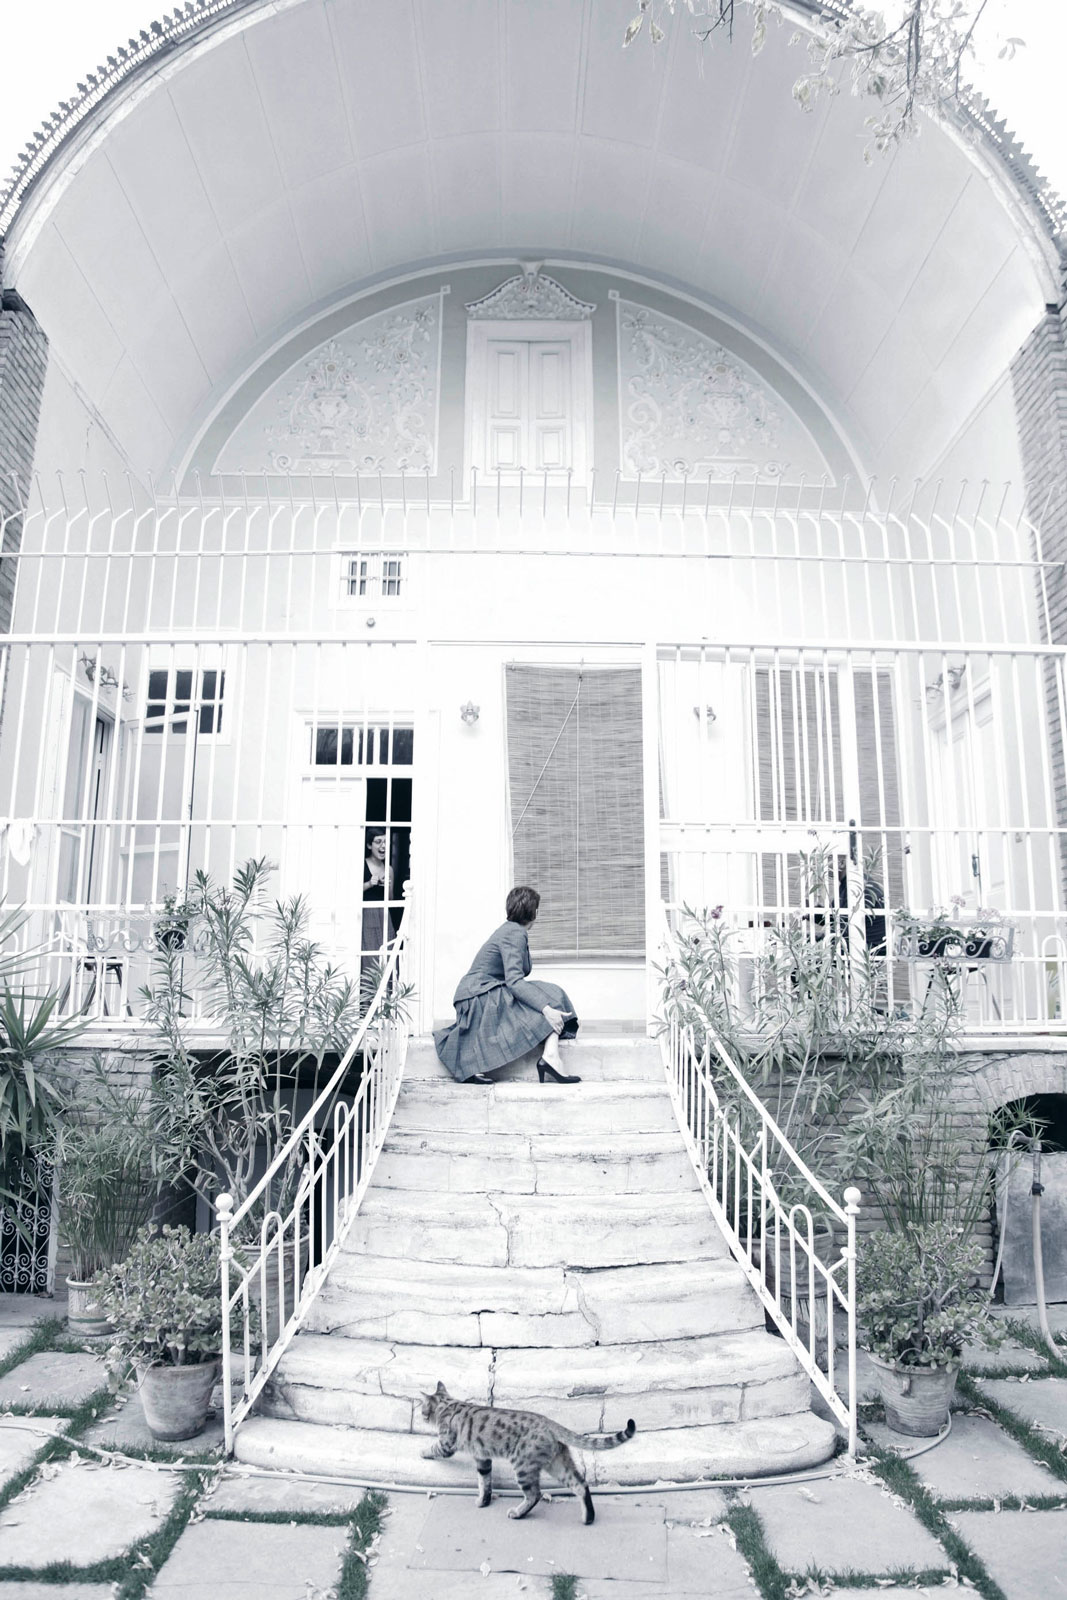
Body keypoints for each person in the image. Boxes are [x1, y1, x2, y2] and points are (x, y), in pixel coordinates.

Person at [434, 885, 580, 1085]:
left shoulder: (511, 930)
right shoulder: (514, 933)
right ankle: (551, 1057)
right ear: (534, 912)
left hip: (482, 991)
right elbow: (515, 981)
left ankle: (551, 1055)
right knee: (551, 996)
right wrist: (545, 1009)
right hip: (478, 995)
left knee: (549, 994)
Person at [361, 826, 393, 969]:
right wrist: (369, 883)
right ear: (369, 845)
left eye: (385, 842)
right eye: (378, 842)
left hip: (384, 916)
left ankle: (387, 990)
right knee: (370, 956)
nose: (383, 846)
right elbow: (349, 893)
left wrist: (388, 886)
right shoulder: (361, 865)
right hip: (367, 914)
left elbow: (391, 900)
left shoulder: (389, 869)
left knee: (387, 955)